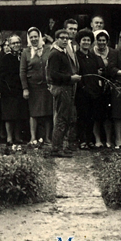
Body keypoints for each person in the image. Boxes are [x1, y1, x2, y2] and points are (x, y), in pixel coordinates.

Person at [46, 28, 82, 158]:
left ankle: (61, 146)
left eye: (67, 38)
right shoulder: (55, 54)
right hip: (61, 88)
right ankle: (56, 148)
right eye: (62, 38)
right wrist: (70, 78)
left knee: (67, 118)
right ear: (56, 39)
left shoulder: (63, 52)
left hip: (67, 88)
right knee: (61, 118)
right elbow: (53, 75)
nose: (65, 40)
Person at [20, 27, 53, 144]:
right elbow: (22, 71)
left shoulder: (48, 49)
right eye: (31, 37)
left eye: (36, 36)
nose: (34, 39)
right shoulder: (26, 52)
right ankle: (33, 138)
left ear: (40, 37)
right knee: (34, 113)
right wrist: (25, 88)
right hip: (33, 87)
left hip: (47, 86)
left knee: (48, 112)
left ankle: (47, 138)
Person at [75, 29, 107, 149]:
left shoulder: (94, 56)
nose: (86, 42)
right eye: (84, 40)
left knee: (91, 117)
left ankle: (89, 140)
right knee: (82, 116)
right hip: (81, 91)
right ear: (79, 41)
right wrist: (83, 87)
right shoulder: (76, 56)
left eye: (88, 40)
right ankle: (82, 140)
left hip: (94, 91)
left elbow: (101, 68)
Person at [0, 35, 29, 144]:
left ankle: (18, 137)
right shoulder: (6, 58)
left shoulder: (22, 56)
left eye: (17, 43)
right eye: (13, 43)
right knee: (9, 115)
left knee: (19, 114)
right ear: (9, 45)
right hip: (8, 90)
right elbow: (0, 75)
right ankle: (9, 138)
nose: (16, 45)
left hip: (19, 89)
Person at [92, 30, 116, 147]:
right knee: (96, 115)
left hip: (109, 87)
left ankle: (108, 140)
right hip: (96, 87)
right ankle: (97, 140)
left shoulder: (112, 52)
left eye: (104, 40)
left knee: (108, 115)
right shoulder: (92, 53)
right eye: (99, 40)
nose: (101, 42)